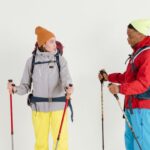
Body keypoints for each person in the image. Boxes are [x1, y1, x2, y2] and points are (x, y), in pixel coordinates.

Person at [7, 26, 73, 150]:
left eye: (55, 41)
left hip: (58, 108)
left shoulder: (61, 60)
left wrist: (69, 87)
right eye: (51, 41)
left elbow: (66, 79)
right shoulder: (31, 61)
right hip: (39, 109)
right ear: (43, 43)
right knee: (41, 144)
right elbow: (25, 86)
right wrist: (15, 89)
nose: (55, 44)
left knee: (61, 143)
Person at [99, 19, 150, 150]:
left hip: (142, 108)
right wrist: (108, 77)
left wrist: (119, 89)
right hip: (132, 108)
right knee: (130, 143)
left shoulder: (147, 54)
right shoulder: (138, 53)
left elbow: (143, 84)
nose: (128, 40)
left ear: (141, 34)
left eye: (130, 36)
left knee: (142, 144)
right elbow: (128, 78)